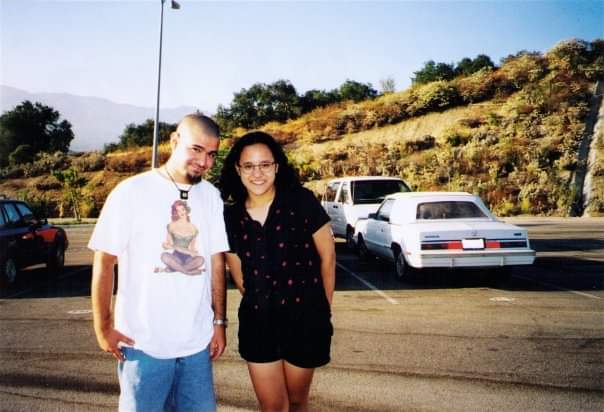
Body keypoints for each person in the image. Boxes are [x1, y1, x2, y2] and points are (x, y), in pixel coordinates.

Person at [89, 113, 229, 412]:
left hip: (196, 346)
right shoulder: (131, 192)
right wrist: (103, 327)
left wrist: (219, 323)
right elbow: (105, 261)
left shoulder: (211, 196)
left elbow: (216, 262)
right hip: (144, 345)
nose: (204, 162)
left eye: (212, 154)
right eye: (196, 149)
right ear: (174, 141)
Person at [219, 131, 336, 412]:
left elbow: (328, 258)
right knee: (272, 406)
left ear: (276, 167)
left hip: (305, 320)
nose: (257, 173)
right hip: (257, 323)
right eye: (248, 166)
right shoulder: (230, 217)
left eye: (264, 165)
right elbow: (240, 277)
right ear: (238, 169)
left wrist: (322, 310)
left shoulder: (301, 202)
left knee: (296, 402)